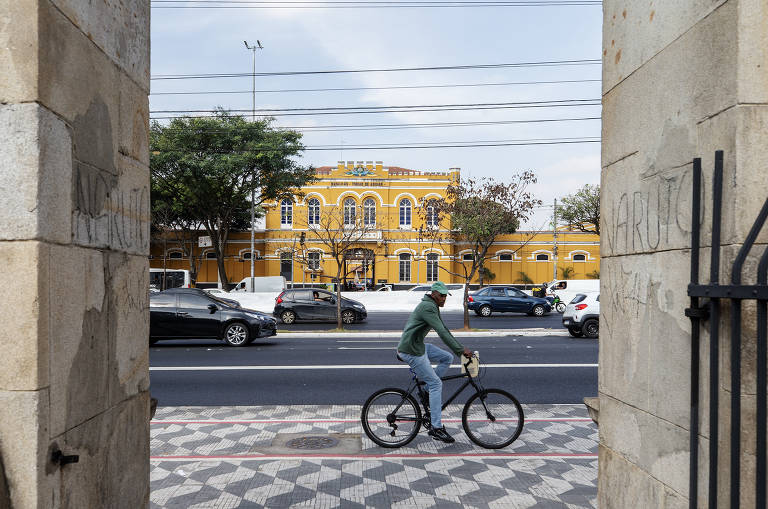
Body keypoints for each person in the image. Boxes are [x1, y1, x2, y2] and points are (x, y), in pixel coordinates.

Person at [397, 281, 472, 444]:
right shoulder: (428, 307)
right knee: (436, 384)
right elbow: (441, 332)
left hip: (417, 346)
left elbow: (444, 329)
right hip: (411, 350)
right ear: (434, 294)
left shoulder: (432, 305)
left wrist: (458, 349)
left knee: (447, 358)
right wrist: (460, 350)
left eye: (446, 295)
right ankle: (436, 428)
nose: (444, 298)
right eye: (442, 295)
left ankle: (425, 390)